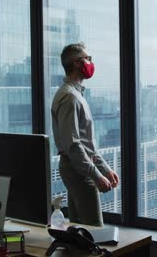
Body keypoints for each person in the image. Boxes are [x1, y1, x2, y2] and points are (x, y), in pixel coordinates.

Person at [51, 43, 119, 226]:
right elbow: (73, 145)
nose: (91, 62)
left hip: (79, 166)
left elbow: (86, 143)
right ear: (76, 63)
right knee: (93, 229)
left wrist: (105, 169)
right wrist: (96, 176)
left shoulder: (76, 94)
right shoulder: (70, 98)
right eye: (88, 58)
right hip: (77, 169)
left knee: (79, 228)